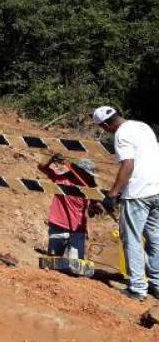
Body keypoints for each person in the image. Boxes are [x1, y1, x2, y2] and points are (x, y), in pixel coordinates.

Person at [93, 106, 159, 301]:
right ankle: (157, 283)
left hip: (137, 193)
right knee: (155, 239)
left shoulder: (121, 135)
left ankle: (138, 288)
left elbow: (128, 164)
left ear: (105, 125)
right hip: (156, 188)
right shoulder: (142, 126)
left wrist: (113, 195)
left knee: (132, 238)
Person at [38, 154, 97, 259]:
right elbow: (42, 167)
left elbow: (93, 211)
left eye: (89, 175)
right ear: (78, 171)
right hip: (58, 226)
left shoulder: (91, 189)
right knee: (53, 260)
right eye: (87, 174)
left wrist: (95, 208)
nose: (89, 177)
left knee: (75, 267)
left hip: (78, 231)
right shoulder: (62, 179)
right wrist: (52, 160)